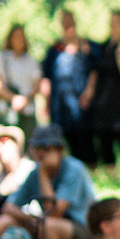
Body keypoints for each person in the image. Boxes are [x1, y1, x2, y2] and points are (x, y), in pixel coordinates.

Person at [0, 124, 97, 239]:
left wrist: (43, 172)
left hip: (83, 229)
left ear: (59, 150)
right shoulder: (33, 174)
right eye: (38, 148)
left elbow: (54, 213)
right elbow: (8, 207)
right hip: (47, 223)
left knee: (49, 226)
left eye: (48, 149)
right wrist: (31, 219)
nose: (42, 154)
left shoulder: (74, 169)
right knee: (3, 222)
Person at [83, 10, 120, 177]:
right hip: (103, 106)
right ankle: (113, 179)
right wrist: (89, 92)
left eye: (117, 23)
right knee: (105, 144)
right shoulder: (103, 47)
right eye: (111, 22)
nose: (113, 26)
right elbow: (95, 72)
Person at [41, 11, 95, 166]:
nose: (67, 25)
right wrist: (46, 102)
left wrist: (89, 92)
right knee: (61, 138)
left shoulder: (86, 47)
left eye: (70, 21)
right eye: (64, 22)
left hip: (80, 101)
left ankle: (90, 169)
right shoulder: (54, 49)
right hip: (59, 103)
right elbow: (46, 77)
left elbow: (94, 70)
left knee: (84, 138)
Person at [0, 25, 43, 139]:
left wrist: (25, 100)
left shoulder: (30, 61)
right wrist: (13, 98)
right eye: (16, 37)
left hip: (28, 111)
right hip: (7, 111)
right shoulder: (2, 59)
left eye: (22, 37)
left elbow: (37, 84)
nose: (19, 40)